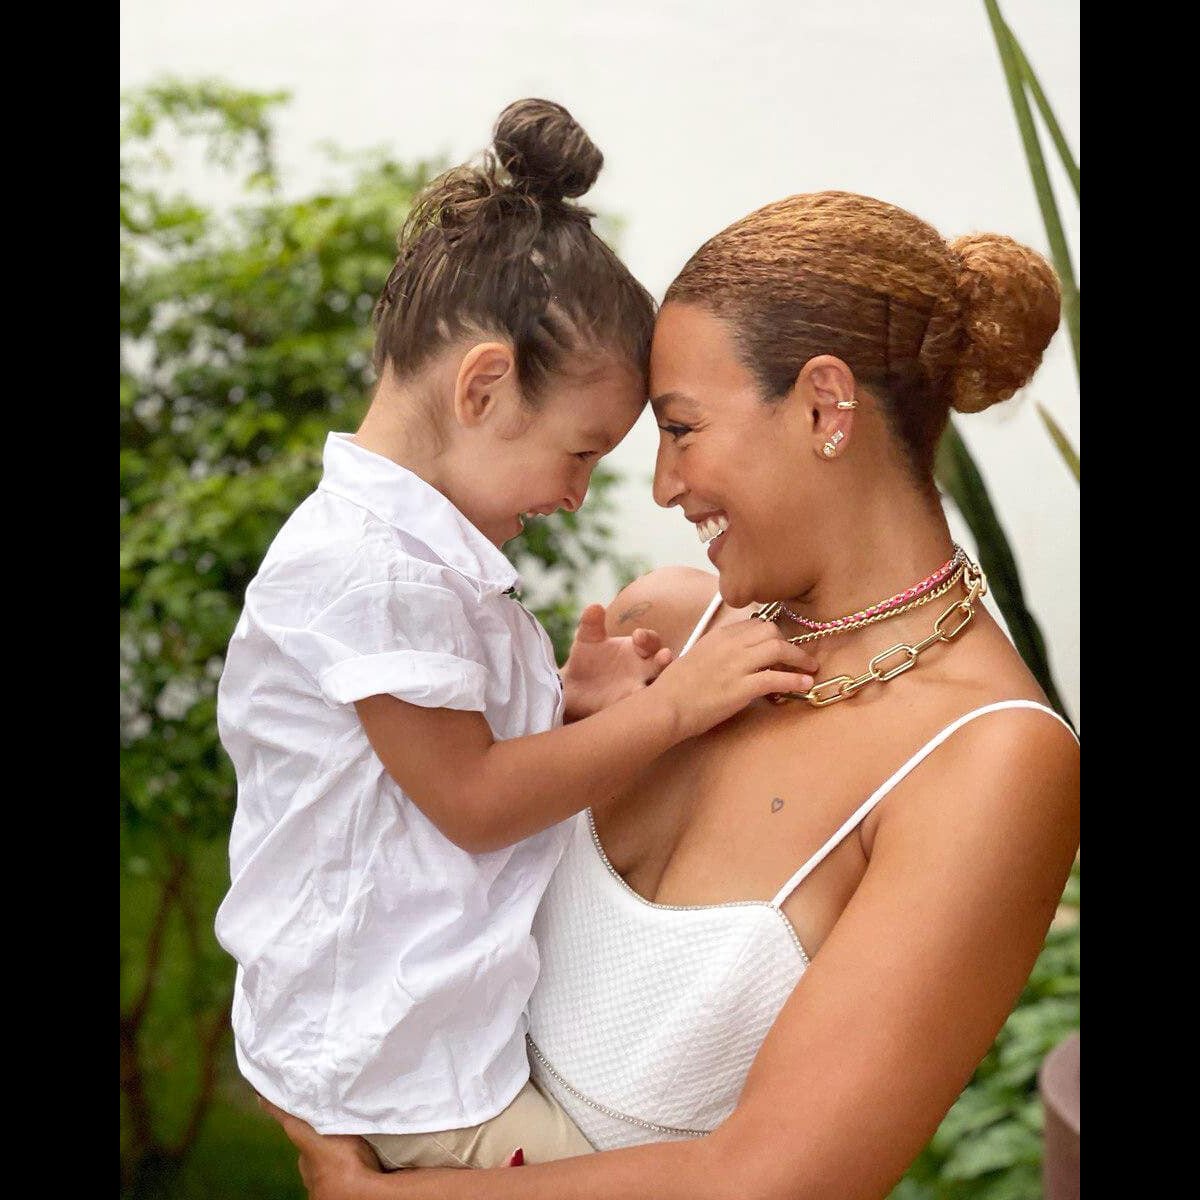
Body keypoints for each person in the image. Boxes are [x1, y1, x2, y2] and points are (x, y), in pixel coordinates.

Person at [262, 188, 1080, 1200]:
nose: (659, 485)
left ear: (825, 408)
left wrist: (374, 1197)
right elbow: (420, 838)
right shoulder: (664, 632)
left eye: (681, 428)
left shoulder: (990, 760)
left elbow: (778, 1180)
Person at [214, 99, 819, 1175]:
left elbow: (409, 761)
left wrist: (561, 702)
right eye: (581, 453)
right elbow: (475, 799)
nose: (579, 494)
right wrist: (678, 708)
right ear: (484, 386)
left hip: (397, 1042)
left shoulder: (405, 553)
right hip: (400, 1071)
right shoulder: (381, 572)